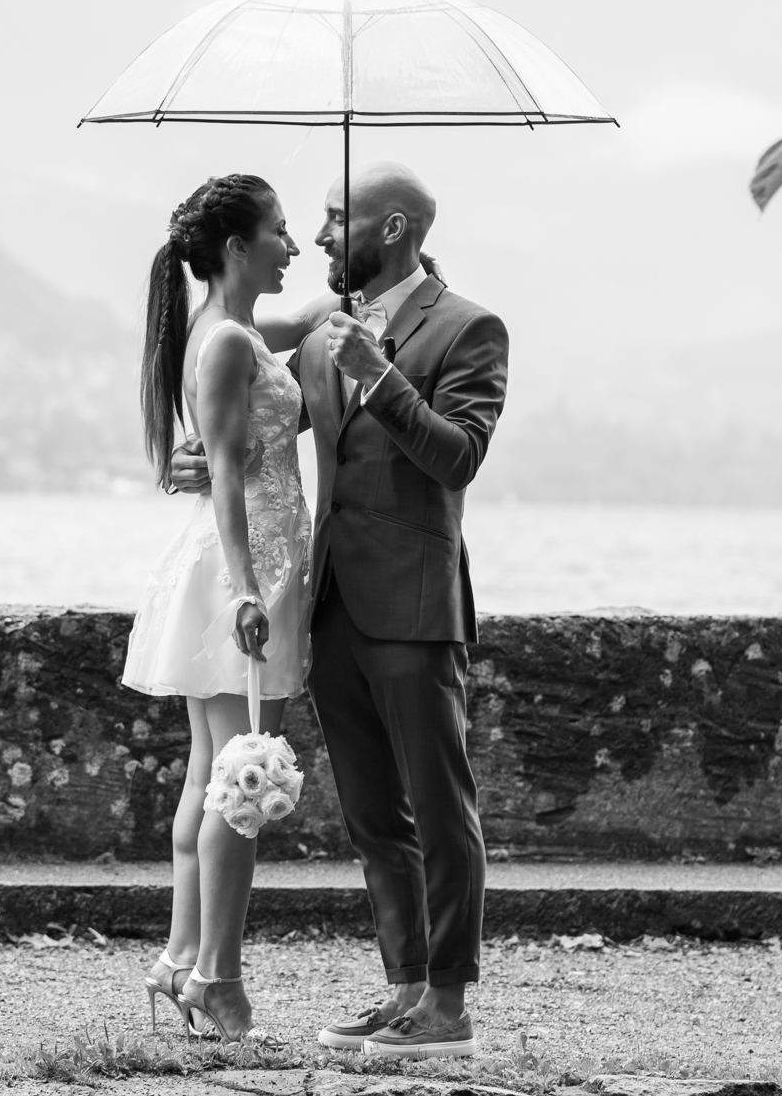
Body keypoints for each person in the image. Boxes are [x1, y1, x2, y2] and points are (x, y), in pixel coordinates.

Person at [173, 162, 509, 1060]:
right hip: (332, 603)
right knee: (373, 816)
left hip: (415, 601)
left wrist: (386, 377)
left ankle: (449, 1004)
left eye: (333, 218)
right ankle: (403, 988)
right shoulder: (322, 340)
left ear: (392, 228)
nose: (319, 236)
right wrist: (208, 460)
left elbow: (458, 457)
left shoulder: (469, 327)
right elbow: (266, 432)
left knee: (441, 808)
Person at [123, 173, 326, 1045]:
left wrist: (386, 281)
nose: (293, 245)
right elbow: (232, 476)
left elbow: (315, 320)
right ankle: (220, 978)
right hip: (252, 572)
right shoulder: (228, 343)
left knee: (213, 772)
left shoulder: (233, 331)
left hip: (247, 566)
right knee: (246, 779)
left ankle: (181, 958)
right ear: (238, 247)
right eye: (280, 232)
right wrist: (248, 589)